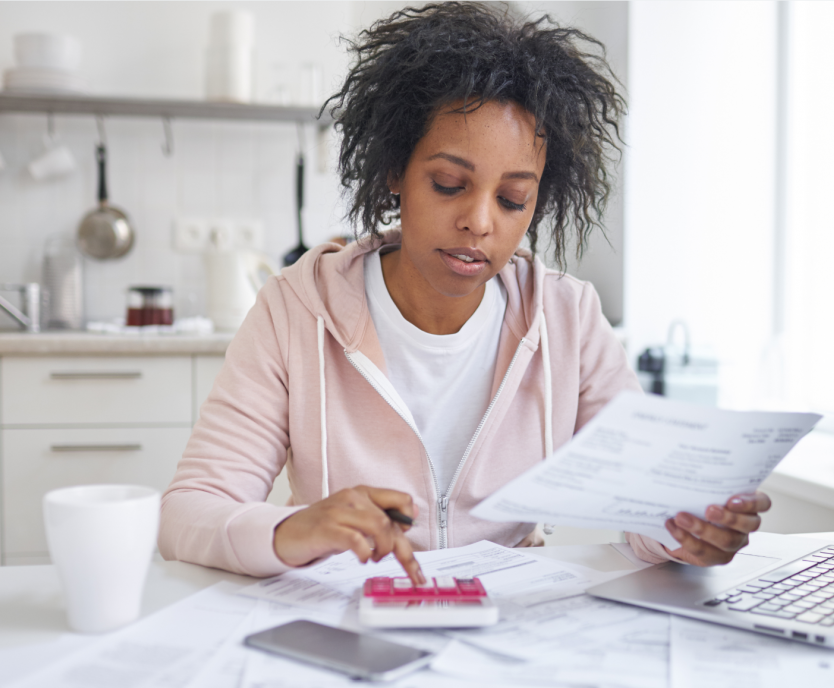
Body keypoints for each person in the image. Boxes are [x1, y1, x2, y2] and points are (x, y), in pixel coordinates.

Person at [158, 2, 771, 582]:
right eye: (450, 183)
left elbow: (647, 504)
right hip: (349, 616)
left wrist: (689, 531)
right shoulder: (295, 310)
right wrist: (292, 529)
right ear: (395, 171)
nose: (481, 222)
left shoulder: (568, 318)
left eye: (512, 200)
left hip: (501, 623)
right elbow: (188, 511)